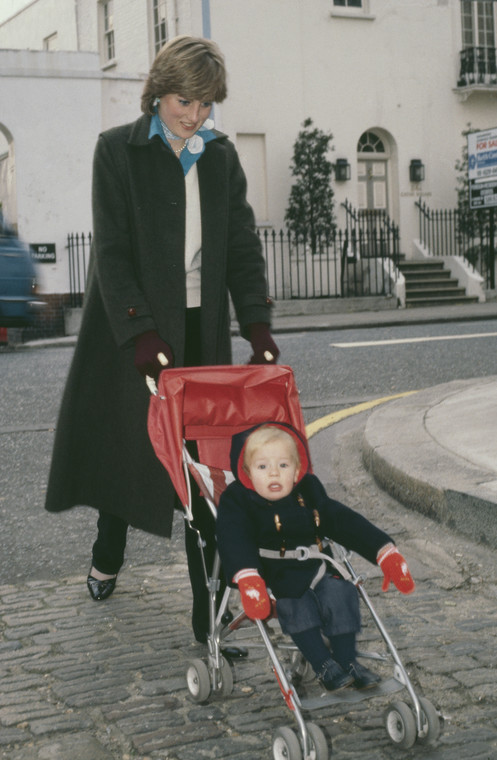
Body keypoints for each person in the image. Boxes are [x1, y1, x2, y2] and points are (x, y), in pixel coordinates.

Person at [44, 35, 279, 645]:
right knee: (132, 453)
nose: (195, 115)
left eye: (205, 105)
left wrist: (256, 325)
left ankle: (212, 609)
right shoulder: (115, 152)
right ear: (158, 92)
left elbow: (242, 247)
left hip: (199, 333)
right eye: (184, 100)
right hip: (137, 335)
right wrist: (142, 330)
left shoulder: (221, 156)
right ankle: (108, 549)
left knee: (207, 470)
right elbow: (113, 254)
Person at [216, 423, 415, 691]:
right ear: (248, 472)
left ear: (297, 471)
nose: (273, 473)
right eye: (262, 467)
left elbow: (341, 519)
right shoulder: (239, 501)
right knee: (297, 605)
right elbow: (233, 537)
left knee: (342, 593)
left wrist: (383, 550)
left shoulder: (307, 491)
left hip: (318, 566)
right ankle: (322, 664)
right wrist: (248, 577)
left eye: (283, 466)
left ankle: (347, 661)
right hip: (275, 575)